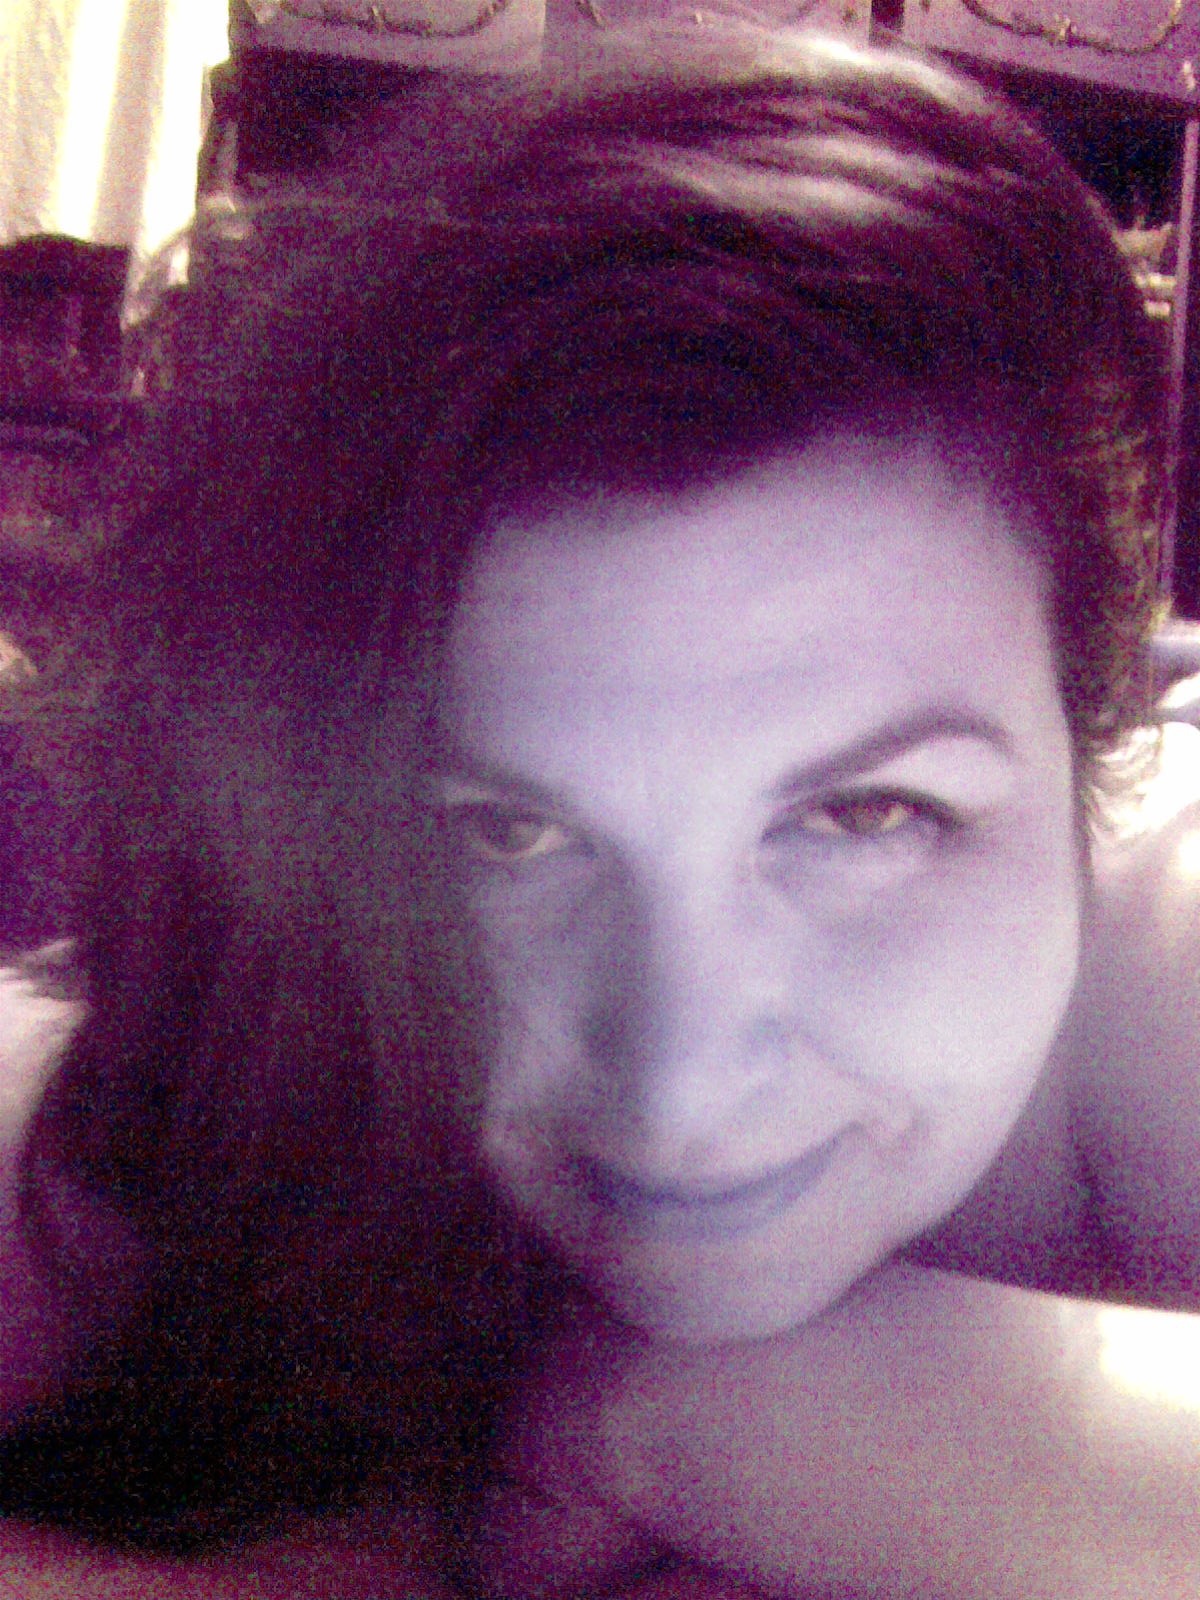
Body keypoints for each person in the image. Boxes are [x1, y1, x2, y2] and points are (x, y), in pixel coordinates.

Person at [0, 18, 1197, 1597]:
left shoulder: (1171, 930)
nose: (678, 1084)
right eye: (512, 835)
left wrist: (661, 1416)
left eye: (868, 817)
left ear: (1092, 737)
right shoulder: (281, 999)